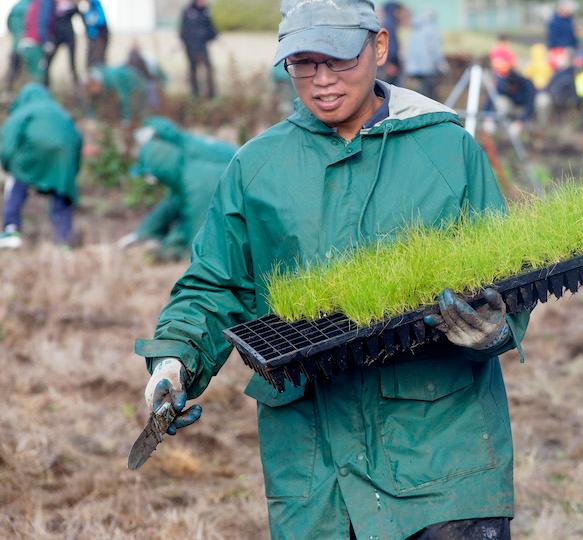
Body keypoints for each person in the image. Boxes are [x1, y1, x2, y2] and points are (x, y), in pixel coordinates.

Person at [136, 1, 532, 539]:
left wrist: (493, 327)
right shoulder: (258, 167)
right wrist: (174, 361)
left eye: (339, 60)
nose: (322, 81)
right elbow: (215, 283)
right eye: (303, 64)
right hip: (315, 470)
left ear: (380, 47)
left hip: (441, 453)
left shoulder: (447, 148)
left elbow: (506, 276)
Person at [119, 117, 237, 259]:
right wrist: (143, 232)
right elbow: (174, 201)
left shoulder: (195, 169)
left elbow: (199, 231)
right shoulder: (183, 164)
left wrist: (167, 250)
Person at [0, 83, 82, 249]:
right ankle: (64, 240)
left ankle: (11, 231)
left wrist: (8, 166)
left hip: (32, 154)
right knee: (61, 195)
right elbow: (77, 139)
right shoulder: (60, 112)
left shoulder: (23, 111)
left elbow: (7, 143)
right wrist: (70, 171)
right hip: (64, 157)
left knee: (16, 186)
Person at [404, 10, 447, 99]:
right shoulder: (431, 29)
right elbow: (435, 49)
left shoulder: (415, 29)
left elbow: (408, 48)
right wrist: (441, 64)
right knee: (429, 95)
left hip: (413, 68)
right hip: (428, 67)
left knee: (419, 92)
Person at [179, 0, 217, 99]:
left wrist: (211, 36)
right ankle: (195, 94)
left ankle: (211, 94)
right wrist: (185, 42)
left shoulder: (206, 11)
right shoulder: (188, 11)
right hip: (191, 46)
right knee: (193, 70)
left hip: (202, 45)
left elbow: (211, 28)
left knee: (208, 69)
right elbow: (183, 30)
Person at [44, 0, 80, 88]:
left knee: (72, 64)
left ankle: (76, 88)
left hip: (68, 35)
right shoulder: (50, 6)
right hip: (55, 36)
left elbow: (80, 12)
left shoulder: (71, 6)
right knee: (47, 62)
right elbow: (46, 20)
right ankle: (45, 86)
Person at [19, 0, 55, 83]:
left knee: (31, 74)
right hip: (35, 42)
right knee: (38, 75)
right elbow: (43, 21)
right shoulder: (46, 2)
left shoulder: (34, 2)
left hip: (26, 42)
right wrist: (45, 41)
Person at [5, 0, 32, 93]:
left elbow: (8, 22)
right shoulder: (32, 5)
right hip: (27, 47)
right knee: (26, 71)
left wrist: (14, 34)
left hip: (15, 48)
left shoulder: (18, 5)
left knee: (12, 71)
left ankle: (8, 90)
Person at [379, 2, 407, 85]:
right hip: (391, 64)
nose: (400, 14)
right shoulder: (389, 25)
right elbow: (390, 46)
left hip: (390, 63)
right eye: (399, 11)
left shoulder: (390, 23)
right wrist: (389, 63)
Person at [79, 0, 109, 69]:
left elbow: (101, 20)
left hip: (100, 35)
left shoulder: (95, 3)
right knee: (90, 59)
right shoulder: (83, 6)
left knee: (99, 58)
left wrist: (91, 19)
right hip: (92, 36)